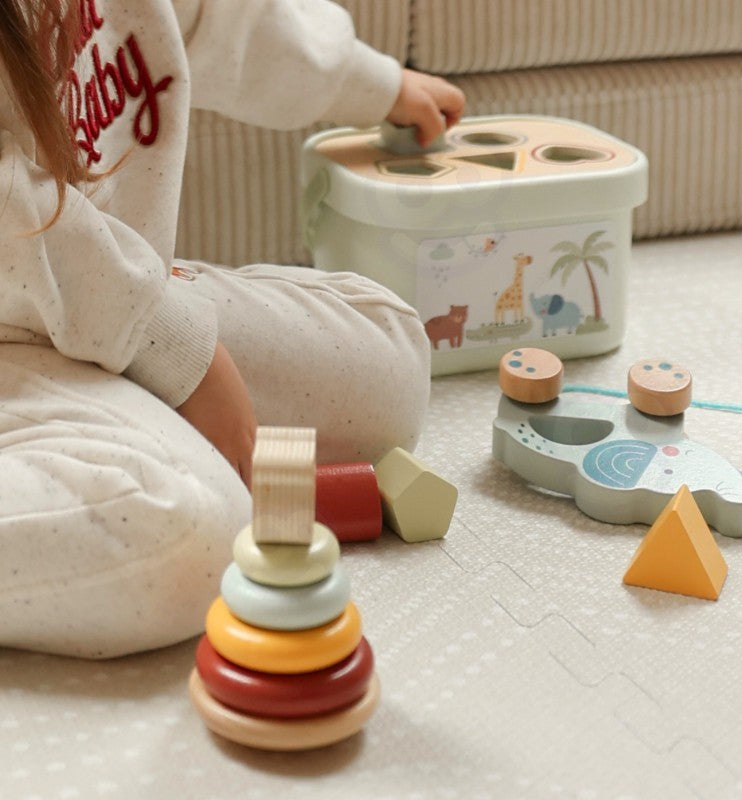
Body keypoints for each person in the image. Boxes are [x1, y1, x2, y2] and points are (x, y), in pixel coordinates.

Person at [0, 0, 466, 658]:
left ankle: (127, 402)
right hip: (18, 325)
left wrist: (372, 83)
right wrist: (178, 352)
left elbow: (215, 17)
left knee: (392, 365)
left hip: (105, 281)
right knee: (191, 534)